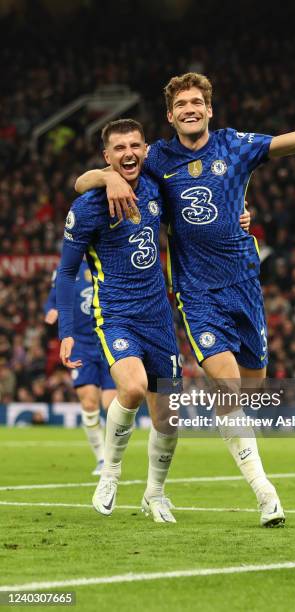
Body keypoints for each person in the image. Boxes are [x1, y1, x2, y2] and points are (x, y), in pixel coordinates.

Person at [74, 74, 295, 527]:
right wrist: (109, 176)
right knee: (226, 389)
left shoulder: (235, 146)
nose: (190, 108)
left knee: (252, 391)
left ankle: (175, 482)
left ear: (209, 109)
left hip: (244, 287)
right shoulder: (157, 158)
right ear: (170, 115)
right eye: (181, 103)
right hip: (196, 294)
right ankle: (265, 494)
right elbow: (88, 176)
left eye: (197, 102)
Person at [57, 119, 183, 523]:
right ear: (107, 157)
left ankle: (155, 493)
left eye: (135, 145)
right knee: (131, 387)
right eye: (119, 148)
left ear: (145, 148)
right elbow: (65, 272)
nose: (129, 153)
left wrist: (241, 216)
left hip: (159, 316)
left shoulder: (156, 186)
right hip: (116, 313)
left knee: (169, 416)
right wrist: (67, 332)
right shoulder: (89, 206)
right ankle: (109, 472)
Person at [45, 261, 116, 476]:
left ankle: (113, 458)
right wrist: (51, 311)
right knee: (88, 402)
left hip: (108, 340)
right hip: (80, 345)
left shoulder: (107, 261)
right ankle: (102, 459)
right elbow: (52, 301)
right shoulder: (65, 269)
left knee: (111, 406)